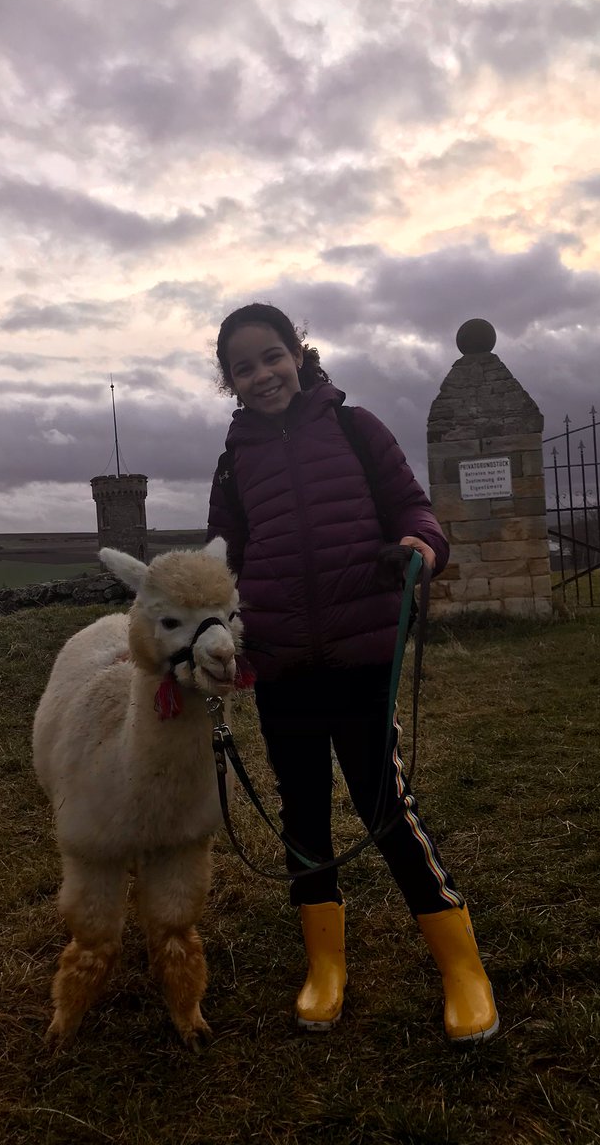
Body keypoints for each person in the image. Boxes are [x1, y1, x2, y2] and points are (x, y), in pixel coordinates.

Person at [206, 302, 499, 1044]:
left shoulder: (356, 427)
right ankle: (325, 968)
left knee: (384, 809)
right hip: (279, 665)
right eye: (244, 367)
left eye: (272, 356)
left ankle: (463, 968)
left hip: (361, 653)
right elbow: (225, 560)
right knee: (302, 815)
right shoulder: (234, 461)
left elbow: (415, 511)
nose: (263, 374)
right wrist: (217, 630)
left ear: (298, 354)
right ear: (229, 382)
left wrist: (422, 549)